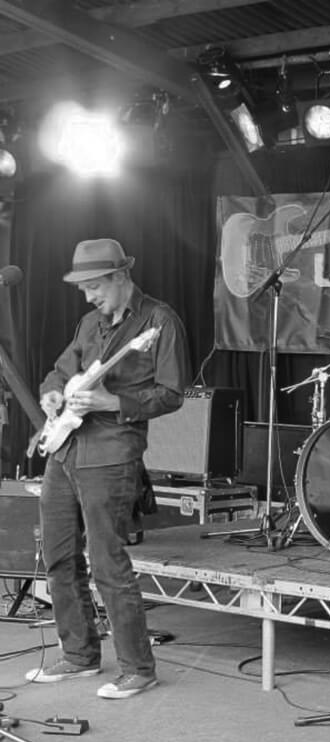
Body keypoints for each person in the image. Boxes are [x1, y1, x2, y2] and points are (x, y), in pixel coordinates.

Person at [26, 238, 190, 699]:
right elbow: (60, 371)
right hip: (66, 451)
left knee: (107, 563)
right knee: (58, 555)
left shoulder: (159, 322)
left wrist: (112, 401)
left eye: (95, 286)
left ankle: (139, 667)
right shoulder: (89, 323)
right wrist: (52, 394)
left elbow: (173, 392)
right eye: (83, 288)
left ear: (121, 276)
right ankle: (79, 655)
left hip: (112, 455)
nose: (89, 296)